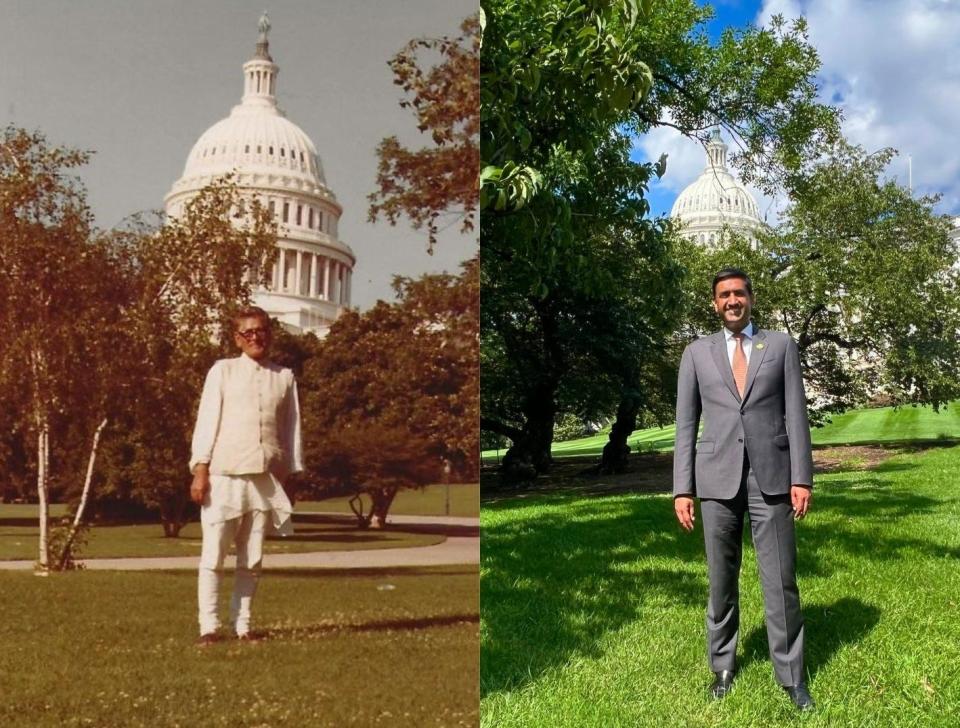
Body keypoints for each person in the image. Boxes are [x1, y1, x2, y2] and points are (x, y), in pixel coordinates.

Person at [673, 268, 815, 711]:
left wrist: (801, 477)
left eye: (738, 293)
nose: (732, 301)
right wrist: (683, 489)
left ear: (751, 298)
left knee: (780, 580)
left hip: (771, 478)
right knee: (720, 582)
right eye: (723, 295)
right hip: (715, 480)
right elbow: (685, 425)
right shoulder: (696, 353)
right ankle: (723, 667)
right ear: (714, 303)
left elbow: (796, 414)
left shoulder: (780, 346)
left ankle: (791, 676)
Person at [189, 306, 302, 645]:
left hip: (264, 479)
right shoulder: (222, 371)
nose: (256, 337)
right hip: (224, 475)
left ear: (270, 334)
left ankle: (243, 626)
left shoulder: (283, 376)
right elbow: (206, 421)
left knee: (252, 558)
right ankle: (208, 627)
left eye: (261, 331)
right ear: (237, 338)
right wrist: (200, 469)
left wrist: (289, 474)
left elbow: (291, 428)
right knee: (214, 554)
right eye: (248, 333)